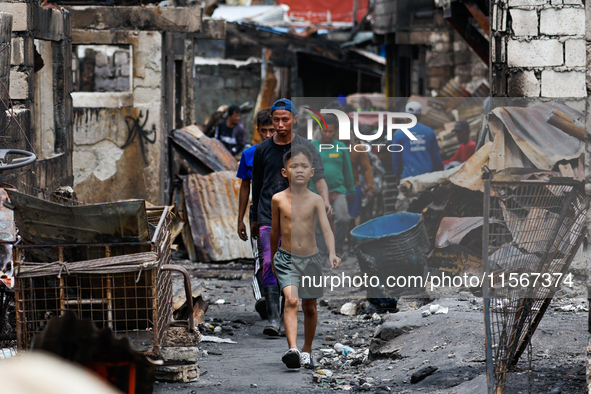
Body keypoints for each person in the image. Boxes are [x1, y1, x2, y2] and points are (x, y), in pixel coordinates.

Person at [251, 98, 332, 337]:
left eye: (285, 119)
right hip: (268, 214)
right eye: (276, 120)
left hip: (300, 216)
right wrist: (254, 217)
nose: (280, 124)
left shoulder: (306, 148)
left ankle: (294, 308)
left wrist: (325, 200)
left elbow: (319, 180)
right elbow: (257, 184)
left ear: (295, 120)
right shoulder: (262, 150)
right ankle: (273, 319)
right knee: (269, 263)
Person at [270, 145, 341, 369]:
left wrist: (332, 252)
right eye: (293, 166)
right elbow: (274, 232)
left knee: (310, 307)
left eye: (304, 166)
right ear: (285, 172)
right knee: (291, 301)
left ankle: (307, 350)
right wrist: (272, 259)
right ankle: (292, 349)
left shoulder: (316, 200)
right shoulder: (278, 199)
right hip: (286, 258)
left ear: (312, 172)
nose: (299, 170)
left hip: (311, 260)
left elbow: (326, 230)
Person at [236, 109, 276, 319]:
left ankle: (279, 299)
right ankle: (264, 299)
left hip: (284, 213)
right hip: (259, 213)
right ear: (257, 131)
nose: (268, 135)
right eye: (264, 131)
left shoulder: (286, 152)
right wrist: (241, 218)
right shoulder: (250, 154)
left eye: (272, 130)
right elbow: (245, 187)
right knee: (262, 257)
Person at [310, 116, 355, 261]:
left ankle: (338, 247)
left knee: (343, 218)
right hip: (315, 192)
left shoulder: (341, 147)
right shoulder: (312, 147)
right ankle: (323, 253)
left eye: (330, 131)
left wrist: (351, 189)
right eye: (324, 131)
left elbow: (348, 170)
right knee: (317, 224)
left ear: (335, 131)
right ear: (319, 130)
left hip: (338, 191)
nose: (327, 134)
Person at [391, 101, 443, 184]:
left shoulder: (398, 134)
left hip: (408, 179)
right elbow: (436, 156)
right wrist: (440, 172)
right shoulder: (429, 132)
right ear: (419, 115)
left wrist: (397, 176)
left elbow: (396, 159)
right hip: (428, 178)